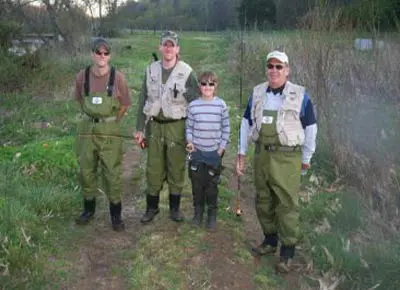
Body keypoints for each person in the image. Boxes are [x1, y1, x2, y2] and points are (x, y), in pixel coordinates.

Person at [236, 50, 317, 273]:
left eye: (279, 67)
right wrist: (242, 152)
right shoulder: (257, 93)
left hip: (287, 157)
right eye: (270, 66)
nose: (274, 70)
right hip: (261, 154)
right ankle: (270, 241)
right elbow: (245, 123)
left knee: (287, 203)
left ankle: (288, 251)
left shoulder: (301, 95)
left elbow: (311, 127)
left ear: (287, 70)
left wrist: (307, 157)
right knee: (263, 198)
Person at [134, 31, 199, 224]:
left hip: (176, 127)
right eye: (165, 45)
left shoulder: (187, 72)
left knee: (176, 167)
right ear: (160, 47)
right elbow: (142, 100)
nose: (168, 49)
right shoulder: (151, 70)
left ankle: (175, 209)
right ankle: (151, 208)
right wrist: (139, 129)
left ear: (178, 49)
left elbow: (195, 104)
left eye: (172, 45)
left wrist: (193, 134)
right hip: (154, 127)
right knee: (153, 168)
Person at [75, 37, 131, 231]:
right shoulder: (82, 76)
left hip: (110, 130)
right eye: (98, 52)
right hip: (87, 130)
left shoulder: (119, 78)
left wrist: (111, 122)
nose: (102, 56)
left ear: (110, 55)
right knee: (86, 170)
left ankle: (116, 215)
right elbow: (80, 101)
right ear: (92, 54)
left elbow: (124, 105)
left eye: (105, 53)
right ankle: (88, 210)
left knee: (112, 172)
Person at [186, 71, 230, 229]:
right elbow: (189, 128)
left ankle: (212, 214)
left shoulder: (221, 105)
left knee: (211, 186)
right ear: (199, 86)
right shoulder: (193, 106)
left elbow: (226, 128)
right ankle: (198, 213)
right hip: (197, 152)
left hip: (214, 153)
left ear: (215, 86)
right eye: (204, 84)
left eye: (211, 84)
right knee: (197, 185)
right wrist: (190, 142)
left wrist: (221, 148)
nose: (207, 87)